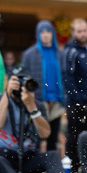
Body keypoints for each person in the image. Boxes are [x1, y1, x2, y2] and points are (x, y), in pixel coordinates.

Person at [0, 70, 68, 173]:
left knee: (52, 155)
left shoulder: (36, 105)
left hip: (25, 159)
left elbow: (45, 134)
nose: (21, 87)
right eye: (17, 83)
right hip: (0, 159)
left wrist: (31, 107)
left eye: (25, 84)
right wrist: (7, 94)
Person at [61, 19, 87, 173]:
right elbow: (67, 77)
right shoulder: (71, 52)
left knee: (86, 136)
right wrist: (78, 100)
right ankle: (73, 170)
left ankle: (85, 170)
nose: (83, 34)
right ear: (73, 33)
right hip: (78, 104)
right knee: (74, 136)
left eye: (85, 30)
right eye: (79, 31)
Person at [21, 20, 65, 152]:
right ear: (38, 34)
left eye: (48, 32)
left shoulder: (60, 54)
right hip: (38, 100)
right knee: (37, 138)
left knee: (53, 138)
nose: (45, 35)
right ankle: (36, 163)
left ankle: (51, 163)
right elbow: (24, 75)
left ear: (52, 34)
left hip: (57, 101)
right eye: (42, 32)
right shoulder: (29, 54)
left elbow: (65, 76)